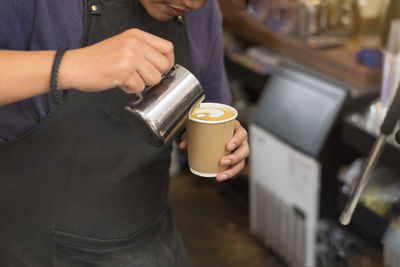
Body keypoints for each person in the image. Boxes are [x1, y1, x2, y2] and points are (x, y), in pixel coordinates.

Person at [0, 0, 249, 265]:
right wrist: (69, 66)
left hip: (149, 243)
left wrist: (226, 140)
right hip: (30, 250)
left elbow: (208, 108)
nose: (192, 3)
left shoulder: (202, 14)